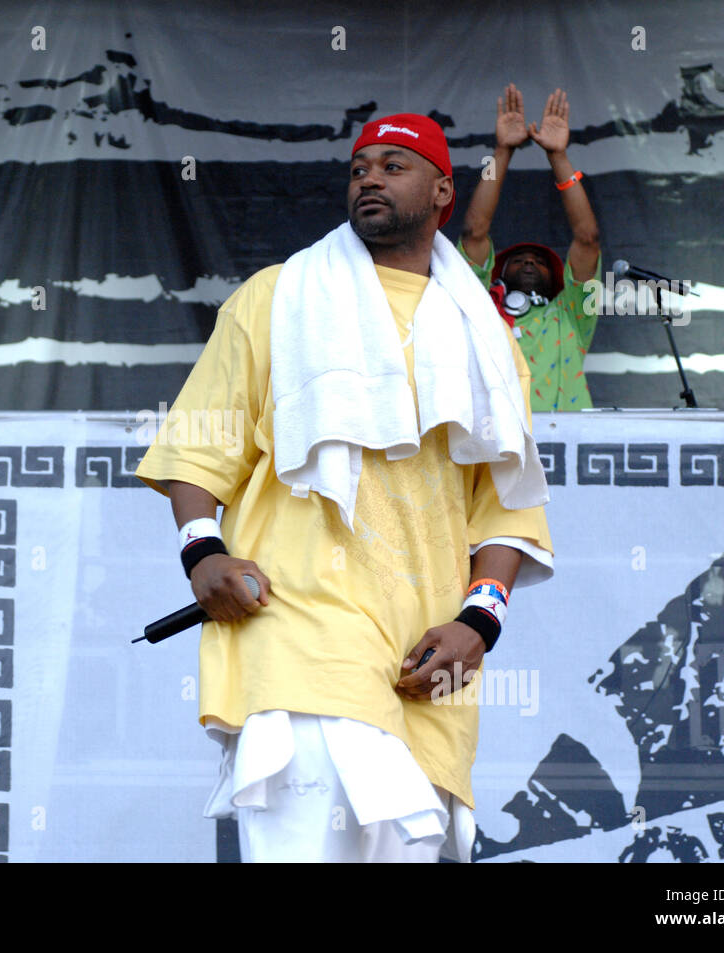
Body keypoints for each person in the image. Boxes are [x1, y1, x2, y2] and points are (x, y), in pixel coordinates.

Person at [135, 114, 555, 863]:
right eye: (360, 167)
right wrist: (202, 554)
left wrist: (479, 623)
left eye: (395, 165)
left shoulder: (489, 342)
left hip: (423, 662)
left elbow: (507, 508)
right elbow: (199, 447)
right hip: (299, 634)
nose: (369, 178)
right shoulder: (277, 297)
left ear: (442, 191)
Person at [460, 85, 602, 411]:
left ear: (555, 280)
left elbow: (587, 239)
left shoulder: (571, 316)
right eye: (518, 259)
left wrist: (559, 158)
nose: (527, 263)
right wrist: (502, 152)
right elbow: (474, 231)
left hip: (566, 447)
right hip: (496, 448)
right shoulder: (482, 311)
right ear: (497, 274)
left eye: (538, 261)